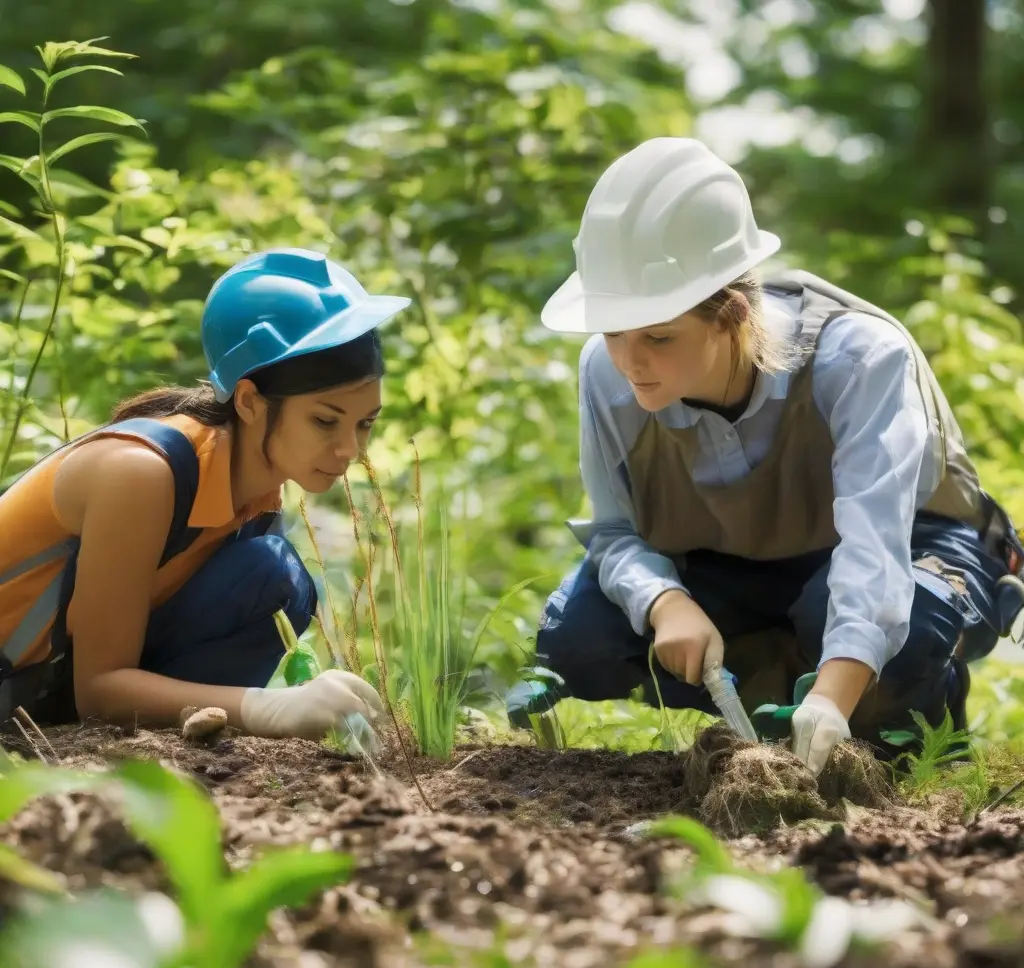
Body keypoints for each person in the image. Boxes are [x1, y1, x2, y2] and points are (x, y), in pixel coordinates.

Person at [508, 137, 1024, 775]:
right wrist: (666, 603)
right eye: (612, 330)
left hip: (911, 546)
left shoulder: (858, 360)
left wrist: (836, 692)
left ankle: (910, 710)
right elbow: (614, 534)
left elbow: (874, 548)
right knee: (580, 637)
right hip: (734, 562)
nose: (628, 360)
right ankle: (781, 699)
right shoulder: (607, 375)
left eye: (659, 337)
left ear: (732, 314)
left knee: (892, 635)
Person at [0, 247, 395, 742]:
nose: (350, 449)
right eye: (324, 420)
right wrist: (268, 709)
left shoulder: (256, 494)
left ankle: (181, 750)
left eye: (365, 424)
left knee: (275, 578)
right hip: (17, 683)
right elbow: (98, 691)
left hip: (45, 688)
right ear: (249, 401)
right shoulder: (141, 474)